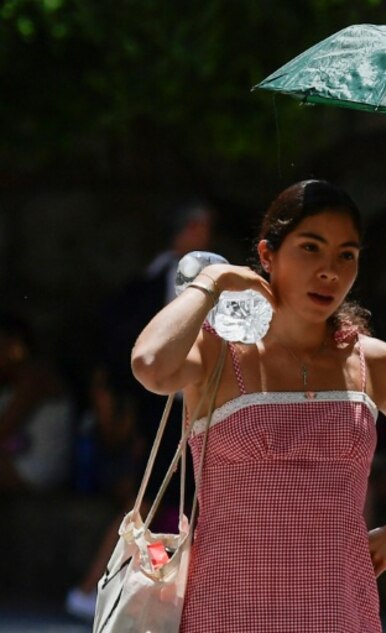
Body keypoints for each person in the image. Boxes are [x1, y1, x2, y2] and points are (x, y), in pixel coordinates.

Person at [130, 179, 386, 632]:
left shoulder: (375, 363)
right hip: (225, 609)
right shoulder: (218, 354)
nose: (330, 270)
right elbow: (150, 366)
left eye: (346, 255)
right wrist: (211, 282)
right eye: (311, 248)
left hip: (338, 609)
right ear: (267, 255)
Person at [65, 198, 215, 621]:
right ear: (188, 231)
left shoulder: (146, 279)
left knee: (155, 503)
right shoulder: (182, 280)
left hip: (150, 404)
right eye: (200, 226)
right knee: (150, 502)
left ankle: (115, 589)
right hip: (174, 405)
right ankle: (99, 588)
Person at [0, 314, 72, 494]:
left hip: (37, 469)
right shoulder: (13, 384)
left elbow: (4, 428)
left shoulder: (35, 380)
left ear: (15, 347)